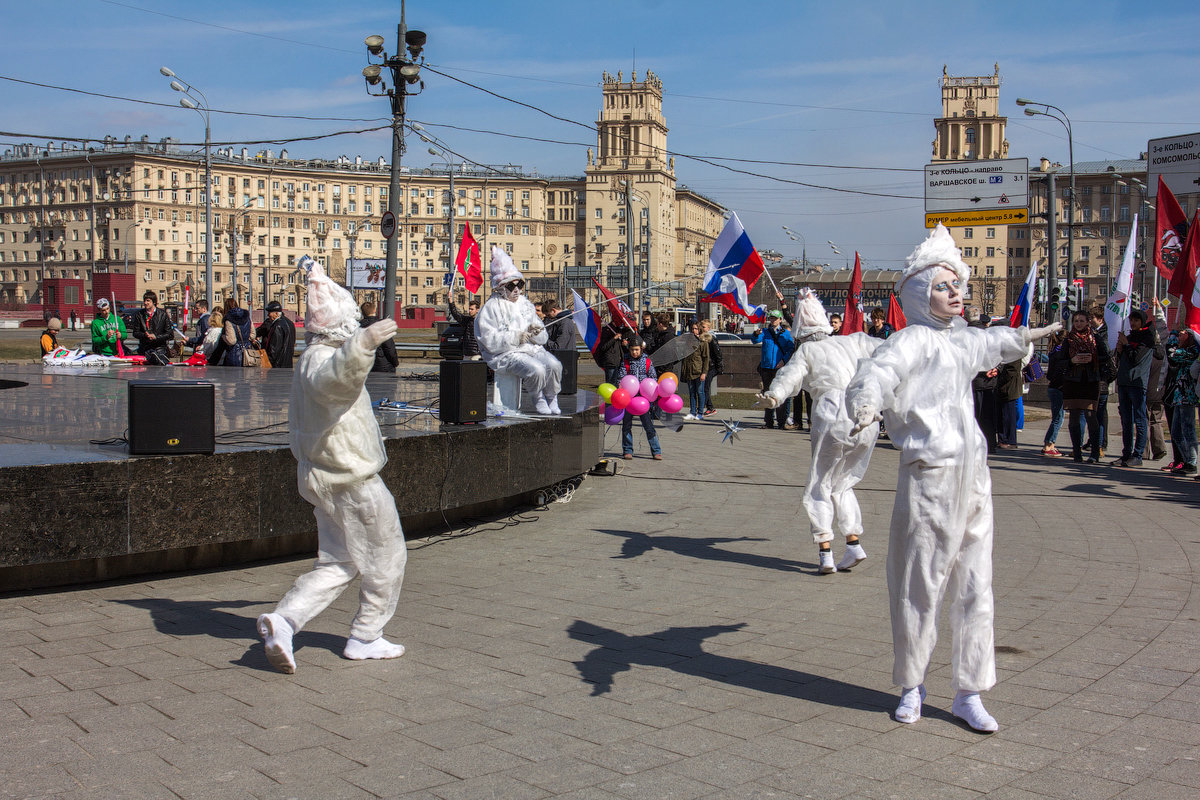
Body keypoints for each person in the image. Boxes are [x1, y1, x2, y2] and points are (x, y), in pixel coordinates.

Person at [845, 224, 1059, 732]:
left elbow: (991, 343)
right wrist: (867, 400)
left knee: (975, 586)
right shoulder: (912, 339)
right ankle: (912, 684)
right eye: (944, 286)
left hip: (975, 480)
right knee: (920, 584)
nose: (956, 293)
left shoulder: (960, 341)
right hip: (931, 478)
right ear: (921, 293)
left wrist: (1023, 336)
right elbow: (878, 372)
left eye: (958, 285)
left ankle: (969, 691)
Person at [257, 257, 408, 673]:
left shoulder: (313, 357)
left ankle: (284, 621)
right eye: (354, 319)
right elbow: (334, 383)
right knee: (387, 555)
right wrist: (363, 344)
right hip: (350, 478)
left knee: (339, 561)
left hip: (324, 475)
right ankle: (366, 635)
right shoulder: (323, 358)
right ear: (341, 323)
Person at [760, 289, 881, 574]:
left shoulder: (807, 350)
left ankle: (825, 551)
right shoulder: (850, 343)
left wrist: (774, 396)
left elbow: (789, 375)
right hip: (864, 417)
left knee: (820, 483)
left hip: (832, 414)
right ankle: (853, 544)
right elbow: (886, 348)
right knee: (843, 483)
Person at [474, 246, 563, 415]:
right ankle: (538, 397)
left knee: (554, 365)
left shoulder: (525, 304)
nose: (516, 289)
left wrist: (537, 331)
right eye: (511, 286)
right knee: (536, 369)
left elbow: (542, 336)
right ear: (500, 287)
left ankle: (552, 396)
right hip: (506, 354)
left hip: (530, 348)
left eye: (519, 284)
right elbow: (488, 339)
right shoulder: (490, 308)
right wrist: (516, 337)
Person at [1052, 310, 1112, 463]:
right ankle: (1077, 451)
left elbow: (1106, 357)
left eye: (1082, 321)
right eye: (1076, 321)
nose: (1079, 324)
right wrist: (1073, 360)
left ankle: (1094, 453)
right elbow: (1059, 361)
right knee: (1074, 418)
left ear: (1088, 322)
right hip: (1073, 381)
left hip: (1090, 381)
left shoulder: (1096, 338)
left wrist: (1092, 358)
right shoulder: (1069, 339)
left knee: (1091, 416)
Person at [1112, 309, 1160, 467]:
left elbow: (1136, 358)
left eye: (1136, 321)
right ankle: (1126, 454)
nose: (1133, 323)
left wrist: (1126, 346)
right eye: (1131, 320)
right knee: (1126, 420)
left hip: (1137, 384)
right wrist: (1120, 350)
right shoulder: (1130, 337)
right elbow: (1124, 359)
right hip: (1125, 382)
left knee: (1139, 420)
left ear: (1143, 322)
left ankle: (1138, 454)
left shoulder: (1147, 339)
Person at [615, 336, 662, 461]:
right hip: (629, 400)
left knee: (648, 426)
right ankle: (627, 450)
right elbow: (621, 377)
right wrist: (620, 387)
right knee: (626, 425)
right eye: (632, 350)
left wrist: (650, 389)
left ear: (641, 349)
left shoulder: (647, 361)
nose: (634, 352)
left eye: (636, 350)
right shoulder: (625, 361)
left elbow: (653, 377)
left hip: (643, 400)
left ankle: (656, 450)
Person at [751, 310, 795, 429]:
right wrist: (755, 334)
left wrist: (783, 361)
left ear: (780, 320)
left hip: (779, 368)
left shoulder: (785, 334)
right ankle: (768, 421)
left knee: (780, 394)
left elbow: (790, 349)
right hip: (766, 368)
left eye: (775, 318)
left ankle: (781, 421)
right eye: (771, 318)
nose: (773, 320)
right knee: (767, 395)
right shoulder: (765, 332)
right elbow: (755, 340)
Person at [1165, 327, 1199, 476]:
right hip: (1179, 396)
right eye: (1177, 334)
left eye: (1181, 334)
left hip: (1187, 397)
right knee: (1176, 432)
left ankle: (1192, 462)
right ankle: (1187, 460)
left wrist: (1171, 337)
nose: (1179, 336)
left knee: (1188, 430)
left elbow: (1172, 355)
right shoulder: (1187, 350)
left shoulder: (1192, 352)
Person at [1041, 328, 1070, 457]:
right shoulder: (1061, 354)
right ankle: (1049, 443)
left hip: (1053, 387)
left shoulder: (1053, 352)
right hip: (1058, 388)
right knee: (1058, 418)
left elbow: (1050, 375)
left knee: (1058, 417)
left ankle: (1050, 443)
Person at [1089, 307, 1112, 458]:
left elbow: (1106, 354)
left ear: (1100, 319)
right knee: (1092, 412)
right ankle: (1093, 441)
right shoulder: (1094, 333)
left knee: (1100, 412)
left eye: (1092, 318)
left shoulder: (1104, 335)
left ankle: (1100, 444)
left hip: (1102, 377)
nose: (1090, 321)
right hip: (1092, 377)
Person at [678, 320, 712, 421]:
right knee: (692, 392)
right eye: (692, 329)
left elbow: (706, 358)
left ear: (699, 330)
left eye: (696, 329)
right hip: (689, 371)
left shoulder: (703, 343)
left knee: (700, 392)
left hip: (698, 371)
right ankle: (692, 412)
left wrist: (704, 372)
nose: (694, 331)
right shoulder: (688, 342)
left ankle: (700, 412)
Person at [131, 291, 174, 365]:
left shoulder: (162, 315)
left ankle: (158, 358)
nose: (145, 303)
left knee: (158, 363)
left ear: (154, 302)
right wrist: (145, 335)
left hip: (159, 348)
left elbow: (170, 335)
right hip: (145, 348)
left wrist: (156, 337)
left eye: (148, 301)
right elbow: (135, 333)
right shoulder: (139, 315)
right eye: (144, 300)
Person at [358, 301, 397, 373]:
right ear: (374, 310)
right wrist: (395, 363)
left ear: (362, 312)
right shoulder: (382, 326)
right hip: (383, 366)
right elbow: (389, 348)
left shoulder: (358, 327)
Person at [256, 300, 296, 369]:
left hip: (278, 364)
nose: (268, 315)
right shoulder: (290, 323)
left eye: (270, 313)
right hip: (288, 362)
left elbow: (274, 349)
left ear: (276, 313)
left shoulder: (277, 326)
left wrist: (268, 362)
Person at [446, 291, 481, 360]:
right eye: (469, 309)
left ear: (477, 310)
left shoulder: (482, 321)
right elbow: (456, 314)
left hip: (477, 354)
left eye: (472, 309)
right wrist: (450, 301)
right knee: (465, 370)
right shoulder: (467, 321)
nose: (470, 311)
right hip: (467, 353)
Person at [221, 297, 255, 367]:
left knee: (234, 375)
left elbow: (231, 341)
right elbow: (253, 335)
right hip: (248, 352)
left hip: (234, 353)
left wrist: (223, 337)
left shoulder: (228, 320)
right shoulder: (247, 317)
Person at [699, 318, 721, 416]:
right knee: (704, 388)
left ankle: (710, 407)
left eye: (703, 327)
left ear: (708, 328)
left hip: (711, 366)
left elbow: (717, 353)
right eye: (701, 327)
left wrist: (719, 366)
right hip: (707, 366)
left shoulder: (711, 338)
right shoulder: (703, 338)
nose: (702, 329)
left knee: (705, 388)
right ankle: (706, 407)